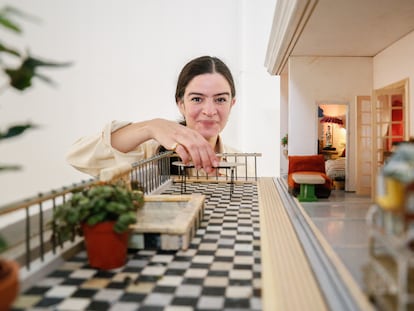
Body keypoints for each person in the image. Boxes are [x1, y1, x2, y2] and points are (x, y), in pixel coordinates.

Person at [67, 56, 239, 178]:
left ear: (232, 104)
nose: (209, 110)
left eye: (220, 99)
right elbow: (77, 156)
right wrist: (151, 127)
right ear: (181, 104)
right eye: (197, 99)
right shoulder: (149, 152)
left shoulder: (242, 162)